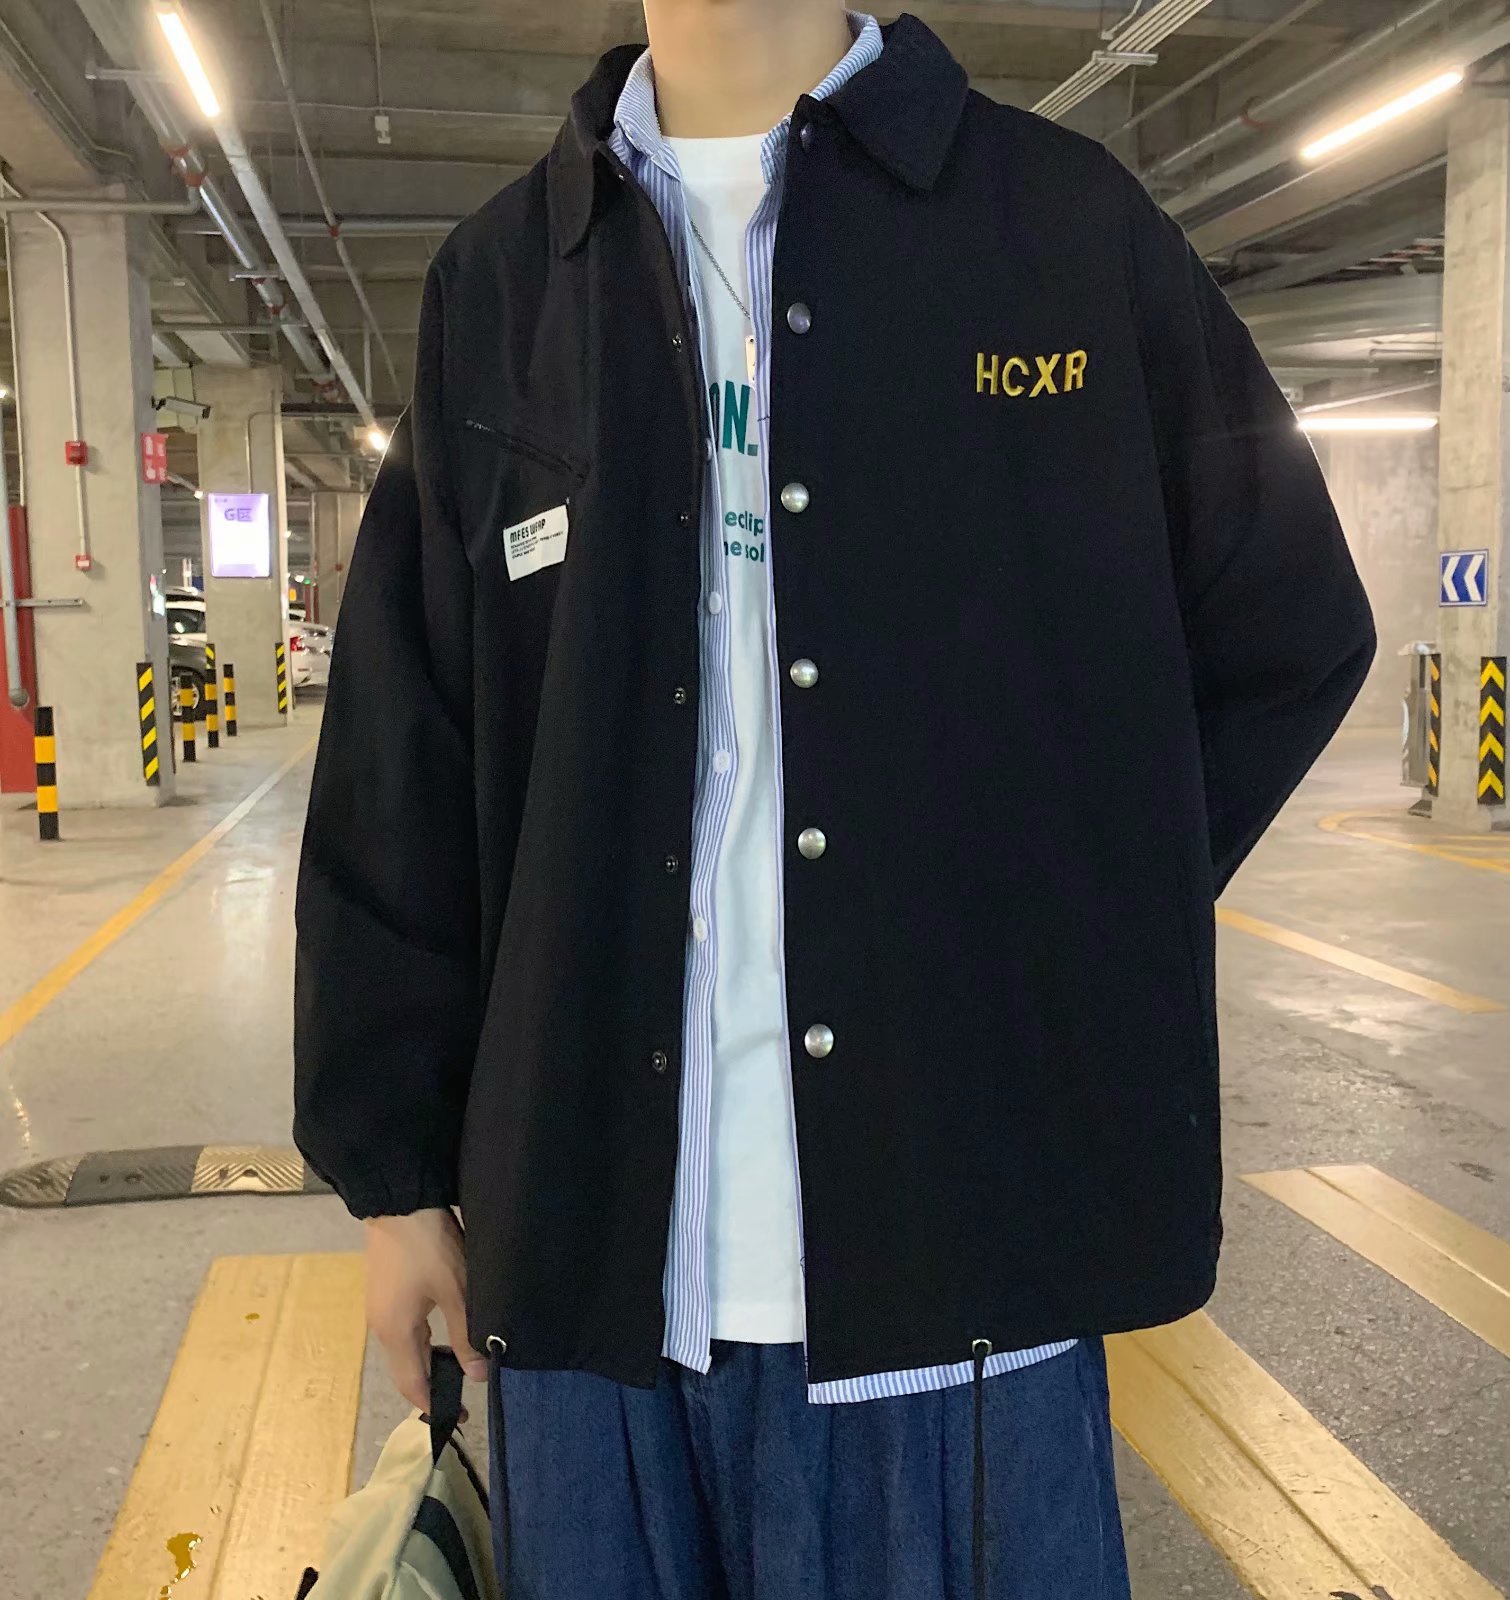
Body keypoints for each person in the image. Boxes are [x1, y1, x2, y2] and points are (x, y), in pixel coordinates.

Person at [294, 2, 1376, 1595]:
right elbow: (406, 745)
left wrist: (1056, 921)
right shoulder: (510, 280)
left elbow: (1286, 624)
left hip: (959, 1278)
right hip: (588, 1280)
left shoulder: (1061, 230)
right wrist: (394, 1186)